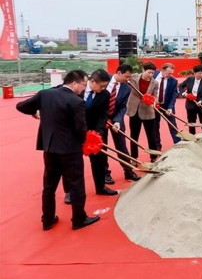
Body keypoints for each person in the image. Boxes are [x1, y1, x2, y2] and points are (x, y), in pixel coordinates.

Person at [16, 70, 100, 231]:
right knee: (76, 185)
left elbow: (20, 106)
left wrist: (34, 111)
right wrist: (85, 143)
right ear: (74, 83)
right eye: (83, 85)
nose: (84, 89)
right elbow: (80, 128)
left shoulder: (45, 94)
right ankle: (78, 219)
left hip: (50, 148)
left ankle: (47, 219)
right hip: (70, 150)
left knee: (49, 186)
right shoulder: (76, 101)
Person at [64, 69, 117, 205]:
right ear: (92, 81)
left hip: (94, 133)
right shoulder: (76, 91)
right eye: (101, 85)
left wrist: (97, 132)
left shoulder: (104, 94)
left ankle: (100, 187)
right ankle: (70, 192)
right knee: (72, 164)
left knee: (99, 161)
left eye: (105, 86)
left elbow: (103, 114)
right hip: (74, 133)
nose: (103, 88)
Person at [103, 64, 137, 182]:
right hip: (100, 119)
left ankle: (128, 171)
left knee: (122, 146)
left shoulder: (126, 88)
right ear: (118, 73)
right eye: (126, 77)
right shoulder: (104, 80)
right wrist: (103, 117)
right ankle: (105, 174)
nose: (128, 80)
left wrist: (117, 120)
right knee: (103, 146)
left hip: (116, 119)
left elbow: (123, 106)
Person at [126, 61, 160, 170]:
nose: (151, 75)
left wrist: (152, 101)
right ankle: (134, 158)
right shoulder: (134, 78)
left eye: (152, 73)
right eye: (149, 72)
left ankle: (154, 157)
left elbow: (155, 96)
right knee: (134, 135)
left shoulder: (155, 83)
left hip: (147, 110)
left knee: (151, 135)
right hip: (134, 110)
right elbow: (124, 79)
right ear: (143, 70)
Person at [153, 63, 180, 156]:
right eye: (168, 73)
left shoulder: (173, 81)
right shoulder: (153, 75)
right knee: (155, 127)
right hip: (153, 105)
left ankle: (178, 144)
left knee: (173, 126)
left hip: (166, 105)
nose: (170, 75)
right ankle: (157, 147)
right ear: (163, 70)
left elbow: (174, 95)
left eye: (171, 73)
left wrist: (170, 107)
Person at [179, 64, 202, 134]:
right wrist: (183, 93)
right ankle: (192, 137)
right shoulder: (189, 79)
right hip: (190, 104)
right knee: (191, 123)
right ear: (194, 73)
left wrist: (201, 101)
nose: (201, 75)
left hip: (201, 105)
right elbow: (181, 86)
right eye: (199, 73)